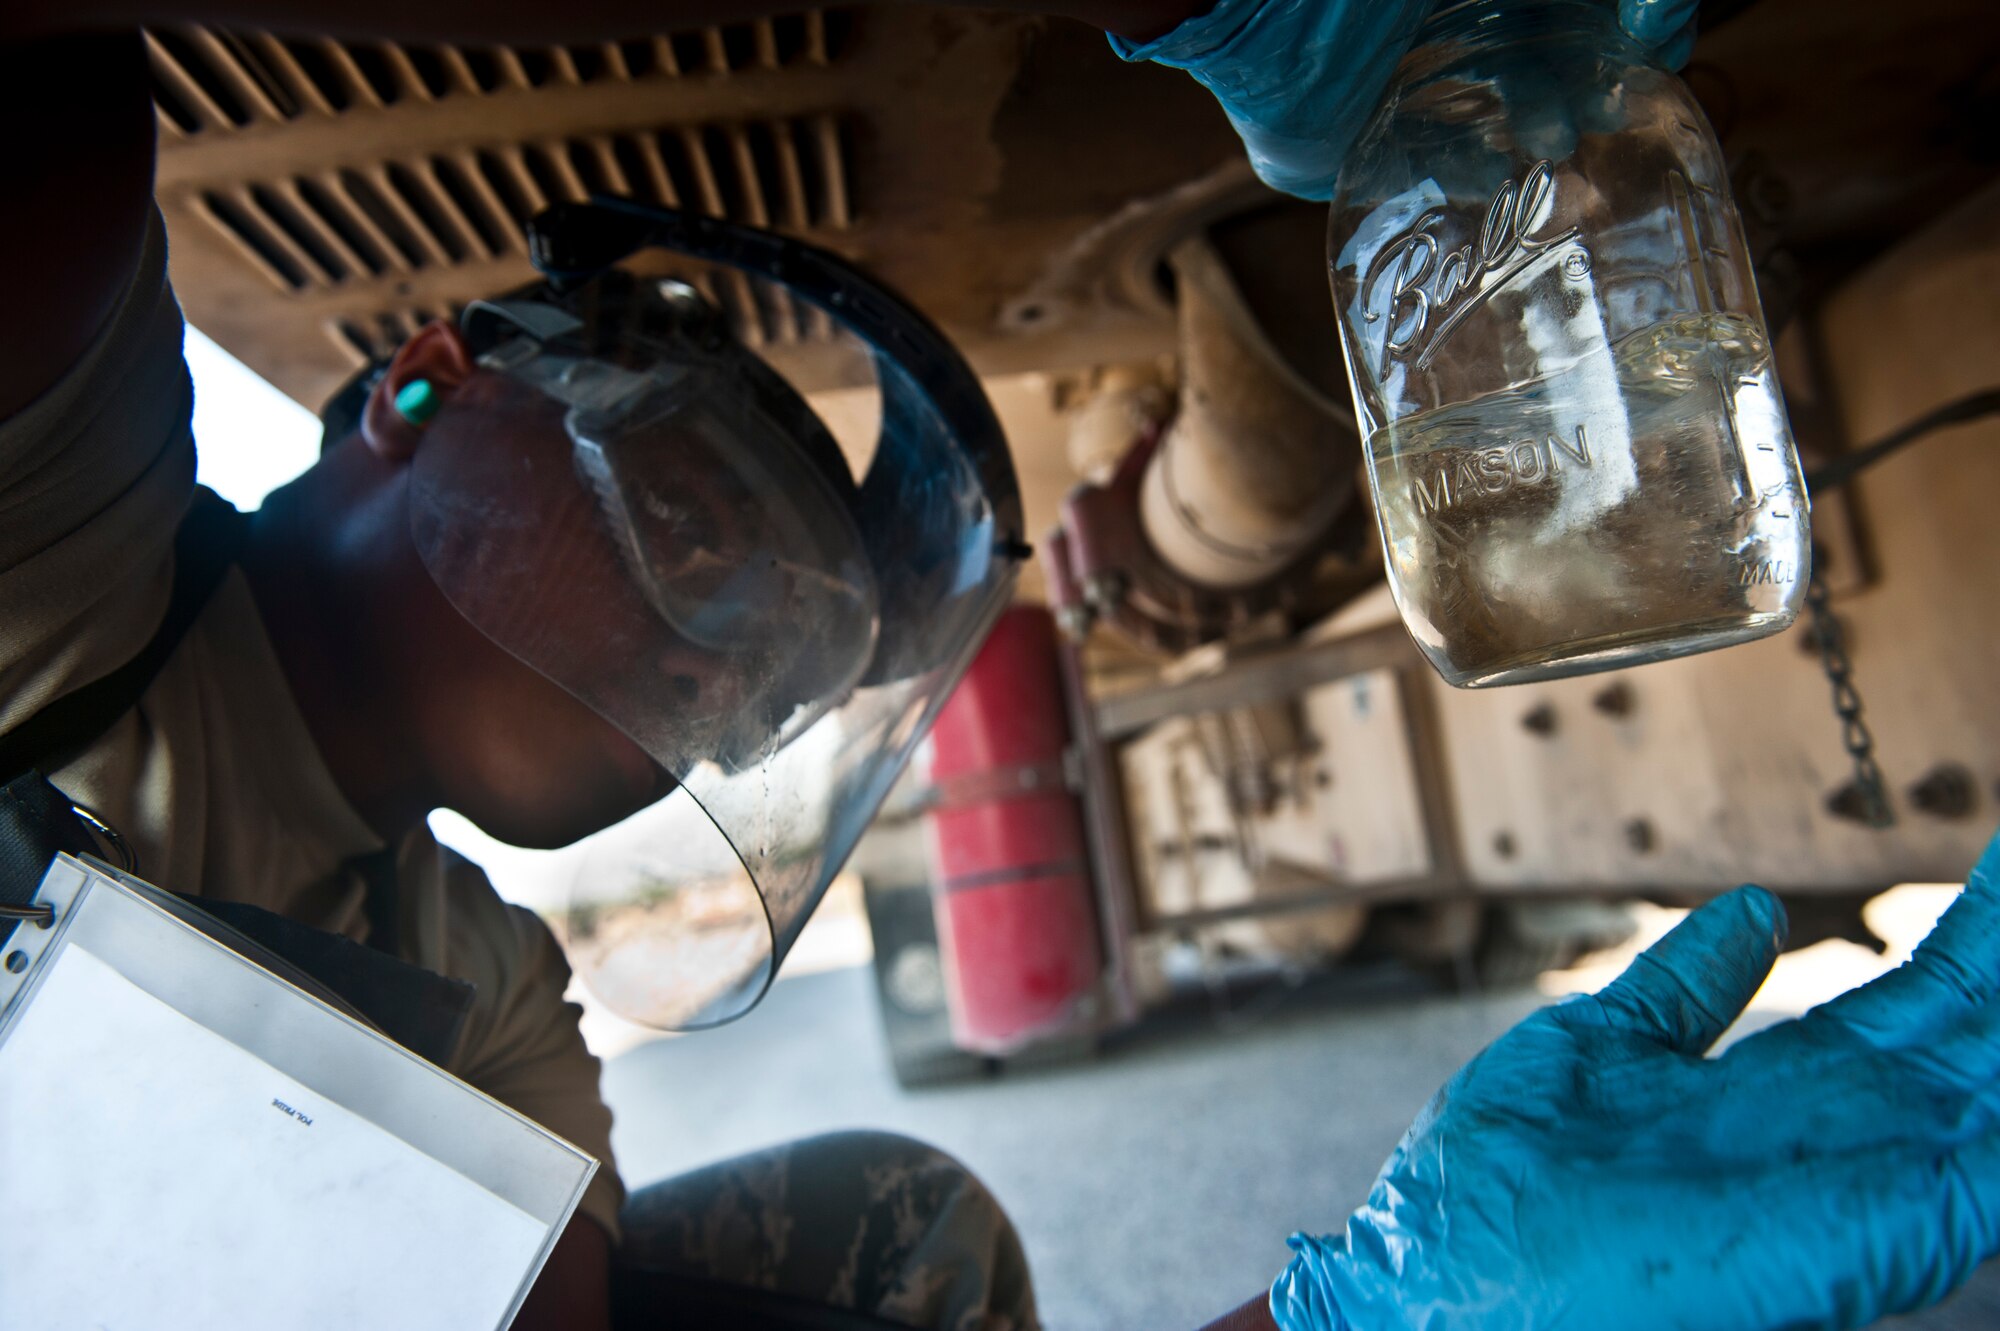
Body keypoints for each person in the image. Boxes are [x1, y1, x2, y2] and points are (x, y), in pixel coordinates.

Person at [3, 4, 1998, 1331]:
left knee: (902, 1236)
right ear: (426, 386)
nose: (714, 682)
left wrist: (1393, 1308)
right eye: (692, 530)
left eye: (767, 690)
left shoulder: (485, 1005)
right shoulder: (70, 575)